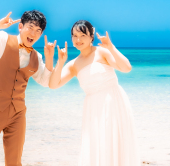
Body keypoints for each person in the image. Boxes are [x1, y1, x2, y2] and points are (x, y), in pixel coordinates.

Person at [0, 10, 57, 166]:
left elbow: (45, 81)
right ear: (20, 26)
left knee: (14, 162)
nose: (33, 33)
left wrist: (49, 59)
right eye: (30, 27)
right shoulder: (1, 39)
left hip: (18, 113)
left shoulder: (36, 56)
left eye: (38, 31)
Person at [49, 20, 140, 166]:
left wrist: (110, 46)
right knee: (98, 145)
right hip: (93, 108)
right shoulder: (73, 64)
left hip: (113, 102)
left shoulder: (102, 52)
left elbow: (126, 68)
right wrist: (60, 62)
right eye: (74, 36)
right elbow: (53, 85)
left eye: (82, 35)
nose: (78, 40)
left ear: (91, 37)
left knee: (113, 142)